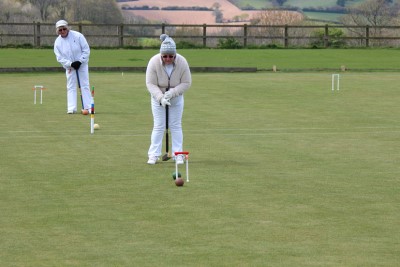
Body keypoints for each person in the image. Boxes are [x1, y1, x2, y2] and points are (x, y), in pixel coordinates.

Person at [146, 34, 192, 165]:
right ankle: (153, 155)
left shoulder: (182, 62)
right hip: (157, 97)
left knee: (175, 125)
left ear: (175, 55)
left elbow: (186, 82)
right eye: (165, 56)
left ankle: (178, 155)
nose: (167, 59)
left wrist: (172, 93)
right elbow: (150, 83)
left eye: (170, 56)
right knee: (159, 125)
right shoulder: (154, 62)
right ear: (161, 55)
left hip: (176, 98)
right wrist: (160, 98)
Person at [53, 20, 92, 114]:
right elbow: (59, 58)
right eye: (60, 30)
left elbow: (86, 50)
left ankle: (88, 107)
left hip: (82, 64)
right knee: (70, 86)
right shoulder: (57, 42)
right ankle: (71, 108)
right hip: (70, 67)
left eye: (64, 29)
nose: (62, 31)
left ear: (67, 28)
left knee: (85, 85)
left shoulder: (78, 36)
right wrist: (70, 64)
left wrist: (80, 61)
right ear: (57, 31)